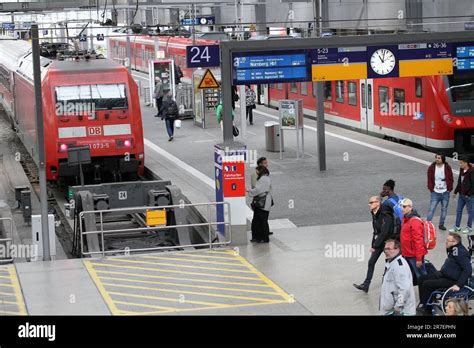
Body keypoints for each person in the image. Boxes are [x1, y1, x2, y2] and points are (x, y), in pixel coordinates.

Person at [417, 232, 472, 315]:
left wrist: (458, 285)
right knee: (421, 279)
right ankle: (425, 302)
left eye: (448, 240)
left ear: (455, 242)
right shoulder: (453, 249)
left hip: (452, 280)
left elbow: (468, 270)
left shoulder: (461, 253)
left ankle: (427, 310)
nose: (446, 242)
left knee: (426, 284)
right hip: (443, 274)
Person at [353, 196, 394, 293]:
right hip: (379, 241)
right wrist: (373, 244)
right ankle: (366, 285)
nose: (369, 204)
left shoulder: (386, 214)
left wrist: (375, 245)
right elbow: (376, 231)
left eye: (371, 202)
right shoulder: (374, 212)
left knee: (389, 263)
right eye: (369, 202)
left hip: (389, 241)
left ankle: (386, 282)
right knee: (371, 262)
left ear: (378, 203)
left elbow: (385, 231)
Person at [379, 239, 416, 316]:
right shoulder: (391, 263)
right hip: (391, 310)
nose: (386, 251)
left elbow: (405, 288)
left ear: (397, 249)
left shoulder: (399, 266)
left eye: (389, 249)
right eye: (385, 249)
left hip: (401, 312)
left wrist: (398, 306)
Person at [400, 198, 427, 282]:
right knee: (409, 275)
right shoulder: (405, 219)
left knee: (421, 276)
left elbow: (418, 241)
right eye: (401, 206)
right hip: (407, 253)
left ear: (410, 207)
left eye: (404, 207)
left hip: (414, 255)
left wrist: (419, 258)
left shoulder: (414, 222)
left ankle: (426, 293)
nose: (402, 208)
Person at [426, 153, 454, 231]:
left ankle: (441, 224)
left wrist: (449, 189)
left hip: (445, 192)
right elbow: (429, 179)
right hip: (435, 192)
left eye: (439, 158)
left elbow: (451, 178)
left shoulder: (447, 167)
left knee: (444, 209)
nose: (437, 159)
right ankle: (428, 224)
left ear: (443, 159)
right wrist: (431, 189)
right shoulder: (432, 167)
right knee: (431, 209)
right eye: (436, 158)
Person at [248, 165, 272, 243]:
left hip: (263, 202)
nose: (256, 172)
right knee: (261, 220)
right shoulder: (265, 178)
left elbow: (258, 189)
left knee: (262, 220)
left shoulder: (263, 179)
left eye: (257, 171)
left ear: (260, 170)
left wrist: (249, 190)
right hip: (265, 201)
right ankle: (261, 237)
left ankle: (264, 238)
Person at [450, 155, 473, 234]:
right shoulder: (462, 169)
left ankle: (469, 227)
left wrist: (469, 194)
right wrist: (455, 192)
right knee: (458, 211)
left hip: (469, 196)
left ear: (466, 163)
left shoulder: (471, 171)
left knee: (470, 212)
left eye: (461, 163)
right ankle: (457, 227)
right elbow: (460, 181)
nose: (460, 165)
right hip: (461, 195)